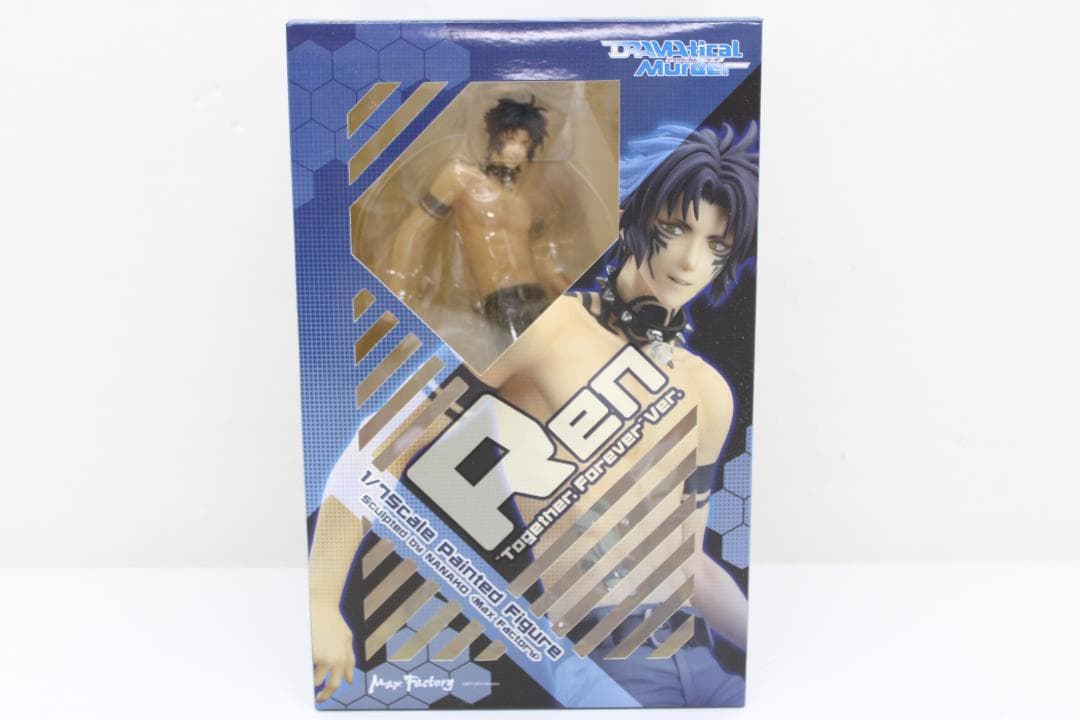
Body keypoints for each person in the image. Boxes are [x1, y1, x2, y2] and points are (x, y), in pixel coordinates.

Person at [481, 121, 758, 706]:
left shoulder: (707, 391)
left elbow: (689, 563)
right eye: (675, 229)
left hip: (700, 657)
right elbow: (384, 445)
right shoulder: (547, 329)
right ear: (634, 214)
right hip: (603, 658)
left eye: (716, 245)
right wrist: (323, 602)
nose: (690, 261)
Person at [384, 96, 571, 343]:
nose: (516, 150)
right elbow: (415, 229)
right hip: (501, 301)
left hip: (538, 297)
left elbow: (543, 258)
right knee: (524, 363)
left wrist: (577, 297)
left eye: (524, 143)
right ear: (493, 136)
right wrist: (397, 292)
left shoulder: (527, 197)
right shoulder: (460, 177)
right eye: (509, 140)